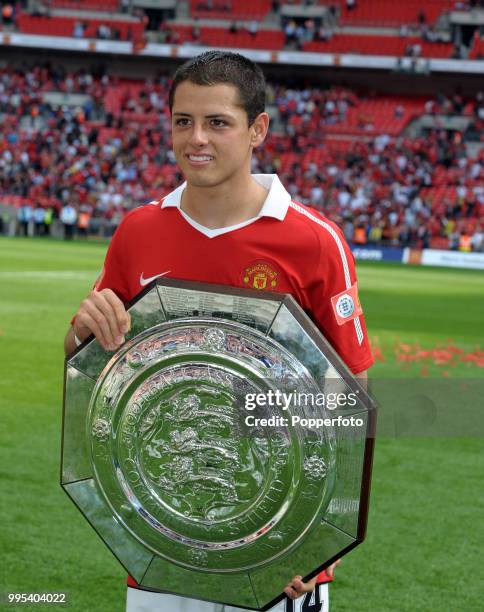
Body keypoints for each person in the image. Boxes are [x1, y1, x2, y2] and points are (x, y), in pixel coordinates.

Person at [64, 51, 373, 611]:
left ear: (258, 129)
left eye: (217, 122)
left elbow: (353, 392)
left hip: (279, 548)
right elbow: (86, 359)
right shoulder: (139, 230)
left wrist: (330, 532)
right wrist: (85, 330)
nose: (196, 139)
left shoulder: (313, 240)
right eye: (183, 121)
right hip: (162, 539)